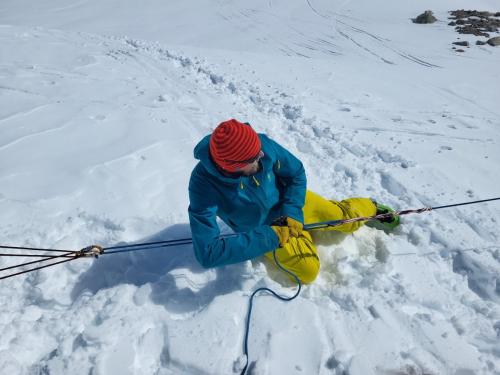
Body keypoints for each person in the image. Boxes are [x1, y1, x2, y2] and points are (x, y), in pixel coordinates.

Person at [188, 119, 399, 283]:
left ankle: (371, 206)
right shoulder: (202, 186)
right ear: (232, 166)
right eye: (254, 158)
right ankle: (304, 235)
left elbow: (295, 173)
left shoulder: (261, 146)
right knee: (308, 271)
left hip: (290, 203)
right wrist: (271, 236)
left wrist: (292, 212)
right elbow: (208, 253)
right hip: (265, 229)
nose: (262, 156)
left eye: (259, 151)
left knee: (346, 219)